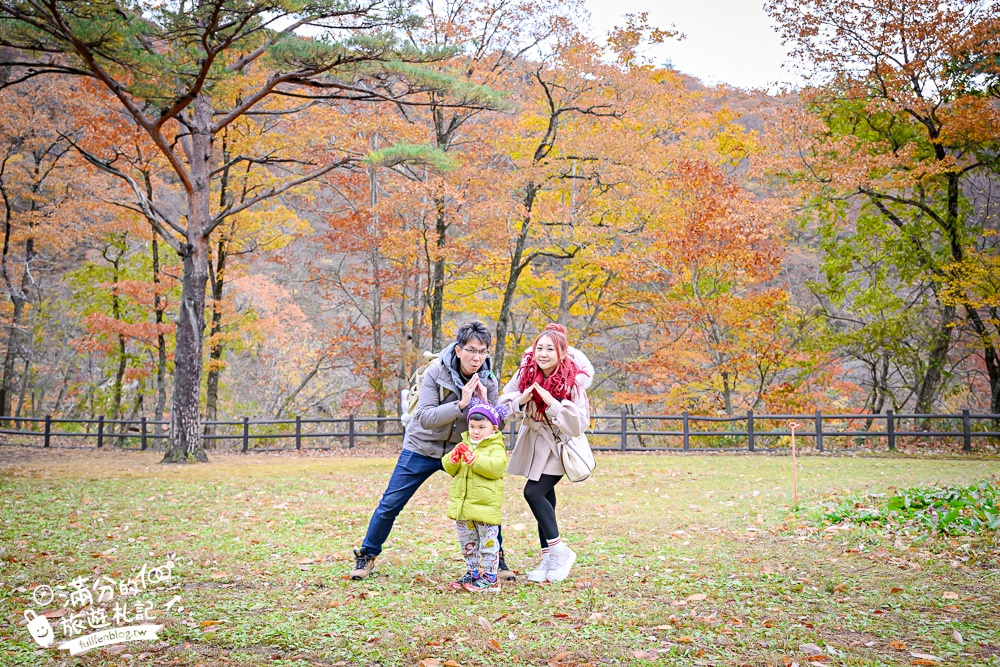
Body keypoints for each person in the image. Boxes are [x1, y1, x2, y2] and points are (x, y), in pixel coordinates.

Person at [351, 321, 514, 580]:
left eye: (482, 352)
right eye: (471, 350)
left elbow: (496, 423)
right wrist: (461, 403)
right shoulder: (436, 373)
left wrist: (484, 403)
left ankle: (498, 559)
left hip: (461, 448)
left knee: (484, 501)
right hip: (422, 446)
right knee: (391, 503)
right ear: (459, 350)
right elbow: (425, 417)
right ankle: (367, 555)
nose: (477, 357)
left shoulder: (487, 378)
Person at [498, 323, 594, 583]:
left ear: (562, 352)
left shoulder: (573, 381)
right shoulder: (526, 373)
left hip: (560, 445)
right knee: (546, 499)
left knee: (533, 491)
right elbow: (504, 402)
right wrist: (523, 398)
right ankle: (549, 557)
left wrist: (551, 403)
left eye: (550, 349)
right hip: (535, 441)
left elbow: (578, 424)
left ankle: (560, 552)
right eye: (539, 347)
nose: (543, 354)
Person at [442, 398, 511, 592]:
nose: (476, 431)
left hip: (485, 506)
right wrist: (453, 459)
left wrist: (475, 459)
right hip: (464, 506)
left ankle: (490, 578)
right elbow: (449, 467)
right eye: (472, 426)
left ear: (494, 429)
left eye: (482, 427)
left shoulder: (495, 447)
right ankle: (472, 573)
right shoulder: (464, 443)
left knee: (488, 544)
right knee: (468, 542)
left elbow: (496, 468)